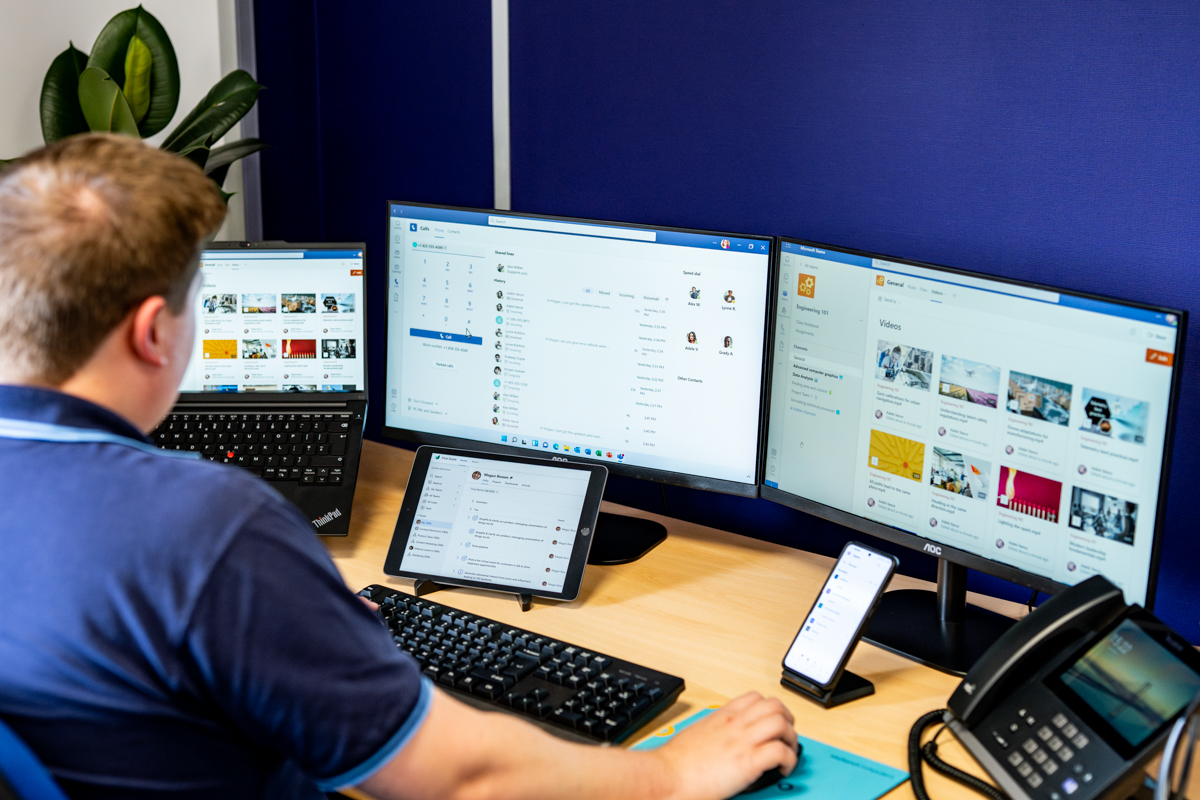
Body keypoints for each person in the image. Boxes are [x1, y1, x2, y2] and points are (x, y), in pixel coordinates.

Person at [0, 135, 796, 799]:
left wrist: (307, 630)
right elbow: (462, 780)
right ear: (153, 333)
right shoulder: (208, 529)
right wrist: (670, 774)